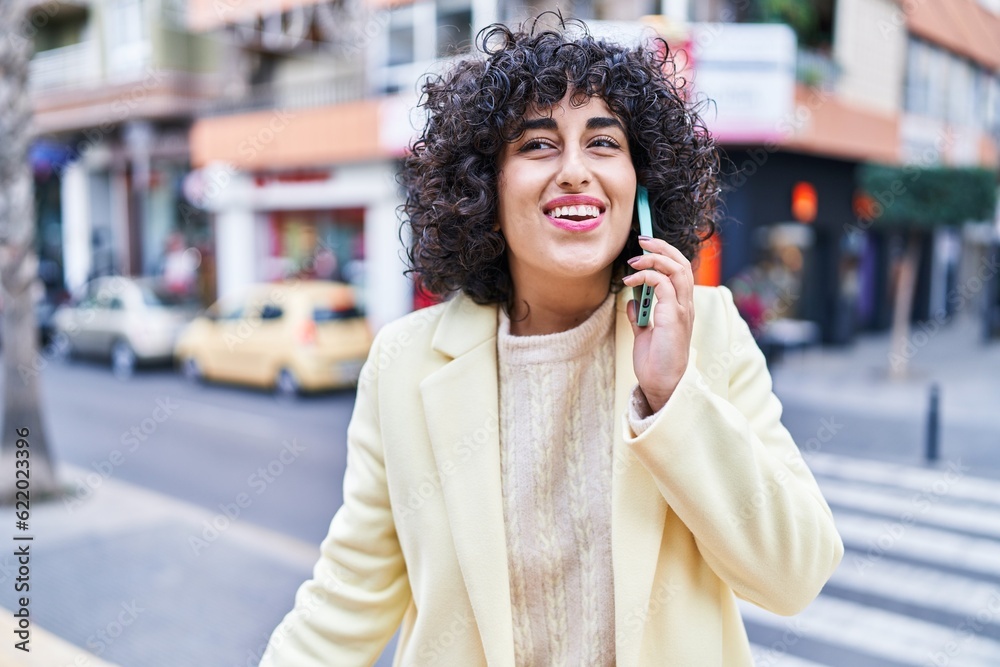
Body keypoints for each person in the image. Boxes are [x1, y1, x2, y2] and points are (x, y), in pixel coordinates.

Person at [260, 15, 843, 667]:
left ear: (640, 183)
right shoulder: (403, 363)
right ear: (485, 185)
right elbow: (343, 604)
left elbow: (795, 574)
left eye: (603, 144)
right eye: (538, 145)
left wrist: (672, 395)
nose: (574, 171)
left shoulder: (708, 330)